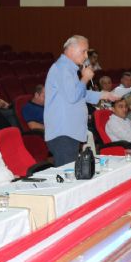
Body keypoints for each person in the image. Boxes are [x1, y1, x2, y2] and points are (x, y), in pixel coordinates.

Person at [45, 35, 118, 166]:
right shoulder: (62, 68)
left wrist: (105, 95)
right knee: (67, 172)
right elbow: (73, 96)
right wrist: (84, 79)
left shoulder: (69, 69)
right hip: (63, 132)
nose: (85, 56)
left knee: (71, 171)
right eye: (83, 51)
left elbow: (81, 94)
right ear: (71, 49)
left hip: (69, 131)